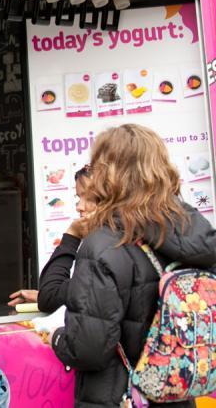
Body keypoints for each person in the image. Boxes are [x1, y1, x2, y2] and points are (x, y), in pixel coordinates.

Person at [49, 124, 216, 407]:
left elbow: (89, 350)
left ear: (108, 175)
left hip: (120, 397)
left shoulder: (103, 245)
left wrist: (56, 337)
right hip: (177, 394)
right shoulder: (195, 234)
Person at [8, 165, 94, 313]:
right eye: (78, 197)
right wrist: (48, 296)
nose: (79, 206)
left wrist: (72, 235)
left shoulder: (106, 248)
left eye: (90, 198)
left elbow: (50, 297)